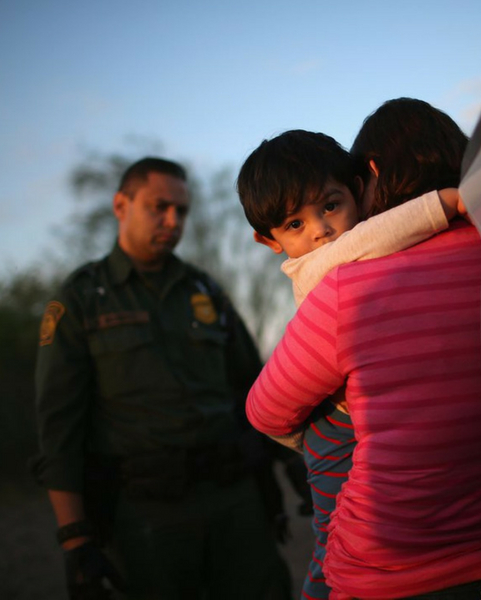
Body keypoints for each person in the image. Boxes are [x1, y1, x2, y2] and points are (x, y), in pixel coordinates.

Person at [247, 98, 481, 599]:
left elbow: (265, 410)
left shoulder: (349, 284)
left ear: (367, 177)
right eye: (295, 224)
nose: (322, 231)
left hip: (393, 566)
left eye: (332, 205)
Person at [32, 157, 293, 599]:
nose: (173, 221)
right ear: (121, 205)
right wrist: (75, 540)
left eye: (182, 211)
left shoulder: (205, 290)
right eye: (159, 206)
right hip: (145, 512)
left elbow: (258, 388)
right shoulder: (81, 300)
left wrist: (292, 465)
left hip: (235, 500)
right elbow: (58, 430)